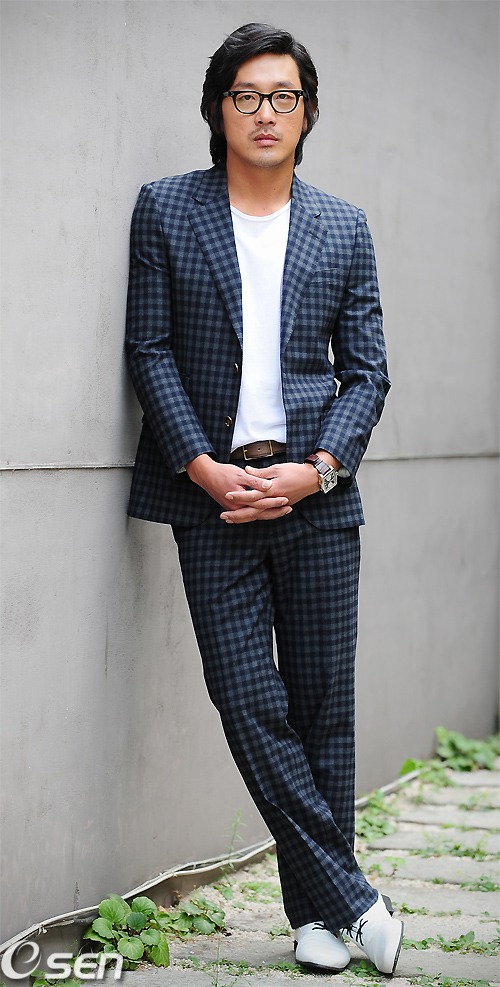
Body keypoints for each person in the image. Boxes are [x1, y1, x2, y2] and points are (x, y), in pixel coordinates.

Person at [125, 23, 403, 975]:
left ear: (308, 112)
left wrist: (318, 468)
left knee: (325, 708)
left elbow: (367, 372)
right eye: (247, 95)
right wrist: (201, 465)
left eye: (284, 96)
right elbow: (149, 348)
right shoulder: (167, 209)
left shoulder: (343, 225)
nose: (266, 113)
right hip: (211, 494)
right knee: (248, 700)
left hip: (315, 495)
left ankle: (317, 918)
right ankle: (354, 895)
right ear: (218, 109)